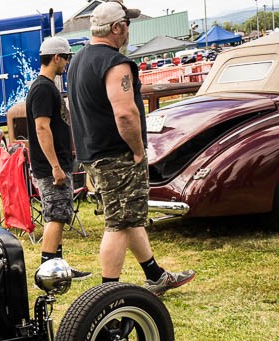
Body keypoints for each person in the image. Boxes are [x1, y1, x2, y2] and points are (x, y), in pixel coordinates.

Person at [68, 1, 194, 295]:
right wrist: (138, 150)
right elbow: (125, 113)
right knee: (119, 224)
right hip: (118, 154)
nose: (128, 30)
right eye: (127, 24)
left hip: (94, 154)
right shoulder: (114, 62)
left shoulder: (78, 60)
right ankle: (105, 296)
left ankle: (155, 275)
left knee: (129, 215)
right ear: (116, 28)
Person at [25, 36, 90, 280]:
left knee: (61, 214)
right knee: (55, 216)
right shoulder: (43, 88)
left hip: (56, 164)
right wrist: (55, 166)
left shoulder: (45, 86)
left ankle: (59, 267)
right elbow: (42, 128)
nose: (67, 63)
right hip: (50, 166)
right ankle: (47, 271)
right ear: (56, 58)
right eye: (66, 58)